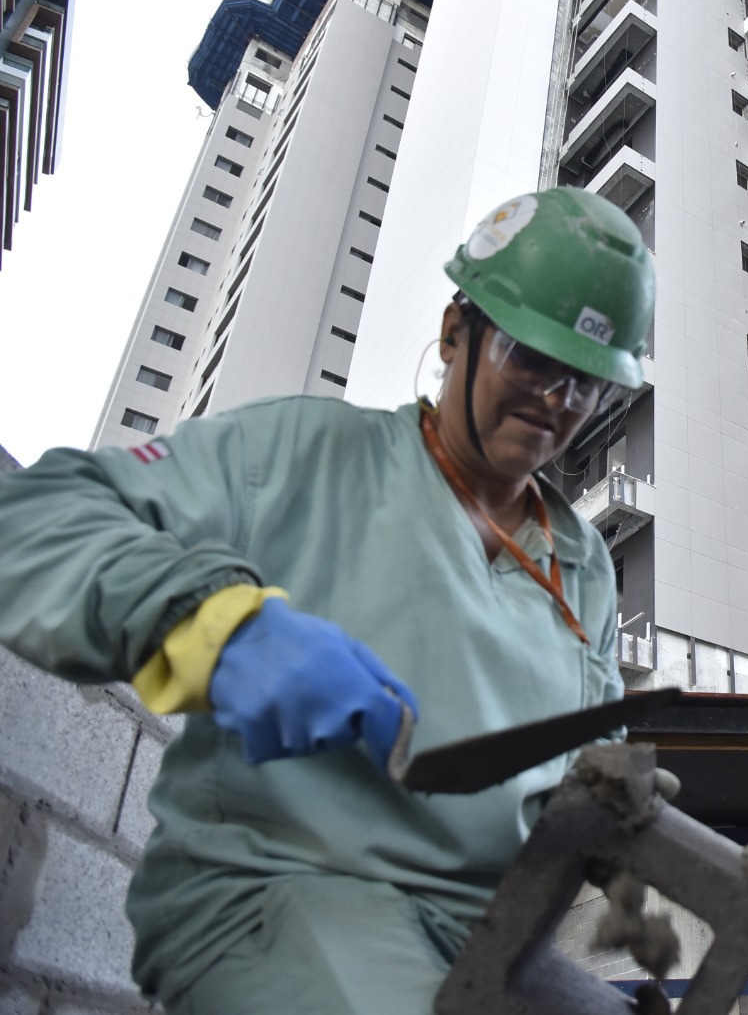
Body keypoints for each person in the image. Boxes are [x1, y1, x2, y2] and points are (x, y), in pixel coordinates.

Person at [0, 188, 654, 1014]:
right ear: (458, 332)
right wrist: (220, 627)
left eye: (585, 384)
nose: (557, 403)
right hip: (278, 892)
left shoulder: (583, 566)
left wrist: (610, 803)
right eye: (531, 359)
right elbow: (36, 514)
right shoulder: (307, 455)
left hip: (486, 935)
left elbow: (589, 747)